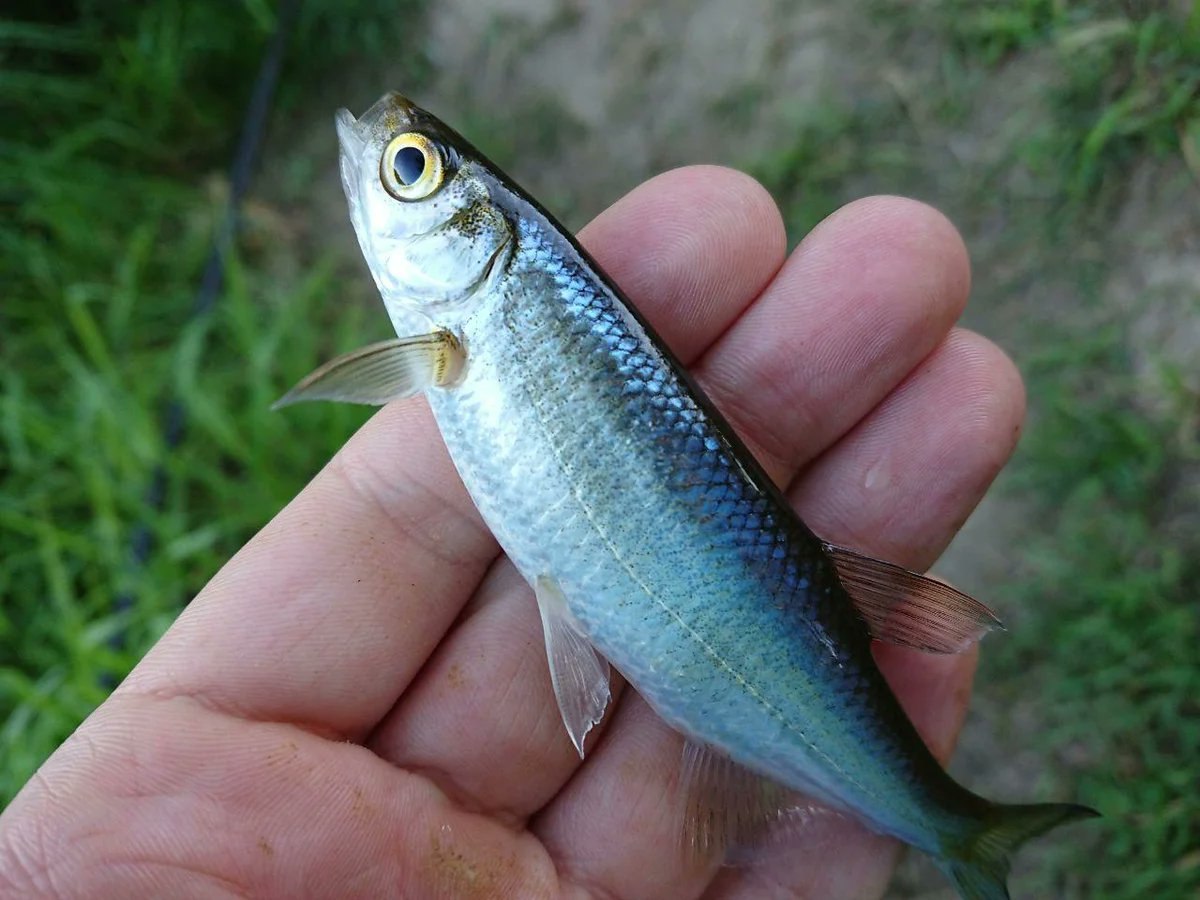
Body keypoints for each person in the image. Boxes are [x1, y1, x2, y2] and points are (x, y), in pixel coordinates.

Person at [0, 167, 1023, 899]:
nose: (376, 167)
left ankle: (954, 827)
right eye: (410, 167)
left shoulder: (457, 332)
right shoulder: (458, 328)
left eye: (408, 172)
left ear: (480, 241)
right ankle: (954, 829)